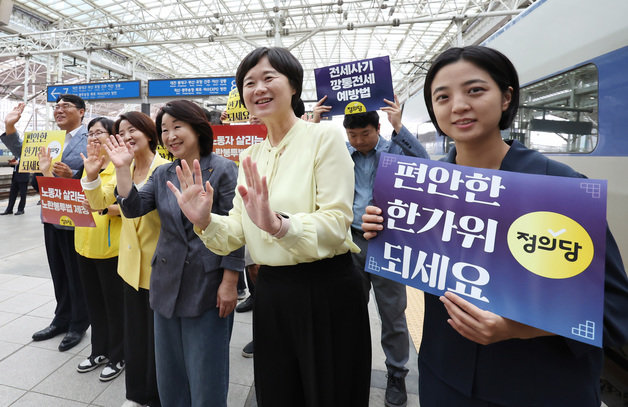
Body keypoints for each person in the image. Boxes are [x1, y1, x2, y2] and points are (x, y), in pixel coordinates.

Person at [361, 45, 628, 407]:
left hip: (540, 387)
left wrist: (516, 328)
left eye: (475, 90)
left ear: (506, 98)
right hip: (445, 380)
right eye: (442, 97)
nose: (458, 106)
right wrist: (385, 230)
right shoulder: (419, 189)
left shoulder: (560, 187)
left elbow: (614, 310)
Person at [168, 47, 372, 407]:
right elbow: (236, 230)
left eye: (268, 78)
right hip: (272, 290)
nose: (258, 88)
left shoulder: (323, 138)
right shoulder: (251, 154)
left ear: (293, 86)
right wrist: (204, 220)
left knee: (330, 391)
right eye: (249, 82)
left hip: (327, 289)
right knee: (278, 390)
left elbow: (338, 222)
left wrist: (279, 226)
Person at [106, 100, 243, 407]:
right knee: (170, 373)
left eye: (177, 127)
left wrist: (230, 281)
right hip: (166, 281)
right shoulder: (163, 172)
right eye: (164, 130)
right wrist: (122, 169)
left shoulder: (223, 169)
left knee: (205, 369)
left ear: (197, 127)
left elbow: (238, 229)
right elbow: (134, 208)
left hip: (207, 283)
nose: (170, 136)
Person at [342, 103, 429, 407]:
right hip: (350, 242)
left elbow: (427, 165)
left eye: (364, 133)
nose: (358, 141)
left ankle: (397, 373)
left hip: (387, 243)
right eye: (352, 135)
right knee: (350, 312)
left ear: (377, 129)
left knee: (393, 314)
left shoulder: (394, 150)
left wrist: (400, 126)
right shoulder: (342, 154)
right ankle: (352, 368)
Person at [82, 111, 166, 407]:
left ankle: (158, 395)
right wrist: (92, 174)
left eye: (133, 130)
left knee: (159, 340)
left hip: (160, 269)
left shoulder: (166, 169)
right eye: (122, 131)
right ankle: (136, 394)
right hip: (130, 267)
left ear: (150, 134)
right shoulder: (124, 168)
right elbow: (97, 203)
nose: (127, 136)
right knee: (136, 335)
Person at [1, 97, 89, 352]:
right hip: (52, 212)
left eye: (66, 107)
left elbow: (101, 171)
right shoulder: (51, 138)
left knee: (76, 272)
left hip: (78, 215)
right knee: (58, 269)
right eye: (56, 107)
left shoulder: (91, 136)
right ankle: (61, 318)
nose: (59, 110)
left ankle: (79, 322)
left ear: (81, 112)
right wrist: (10, 128)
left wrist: (74, 175)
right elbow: (26, 155)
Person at [41, 117, 125, 381]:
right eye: (90, 133)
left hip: (112, 249)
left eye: (100, 132)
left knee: (115, 305)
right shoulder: (88, 168)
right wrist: (46, 173)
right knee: (94, 303)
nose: (93, 137)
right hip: (84, 246)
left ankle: (119, 354)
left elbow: (122, 204)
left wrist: (98, 201)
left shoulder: (122, 168)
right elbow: (64, 201)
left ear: (114, 137)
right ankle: (98, 350)